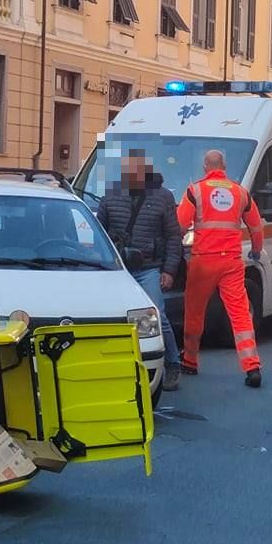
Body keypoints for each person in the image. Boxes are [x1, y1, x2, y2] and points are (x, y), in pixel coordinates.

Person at [177, 150, 264, 388]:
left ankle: (190, 360)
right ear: (224, 167)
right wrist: (256, 251)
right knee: (240, 314)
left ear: (205, 167)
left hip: (203, 261)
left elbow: (180, 225)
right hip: (231, 263)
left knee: (194, 312)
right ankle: (252, 366)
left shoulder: (195, 191)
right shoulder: (240, 192)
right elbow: (256, 227)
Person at [97, 149, 183, 391]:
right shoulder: (112, 194)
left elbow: (173, 237)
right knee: (113, 318)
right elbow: (98, 233)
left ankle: (172, 364)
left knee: (158, 316)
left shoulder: (162, 197)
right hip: (118, 269)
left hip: (149, 268)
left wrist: (169, 270)